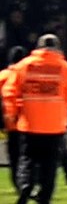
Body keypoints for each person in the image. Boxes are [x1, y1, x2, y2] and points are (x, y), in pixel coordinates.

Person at [2, 34, 67, 204]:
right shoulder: (65, 68)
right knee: (50, 165)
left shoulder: (24, 66)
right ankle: (44, 201)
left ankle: (25, 185)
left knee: (27, 160)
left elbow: (9, 92)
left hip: (29, 123)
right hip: (54, 124)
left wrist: (12, 115)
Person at [1, 46, 26, 193]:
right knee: (28, 156)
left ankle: (18, 184)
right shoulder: (24, 74)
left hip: (7, 121)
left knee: (14, 156)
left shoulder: (2, 76)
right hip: (26, 122)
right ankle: (26, 184)